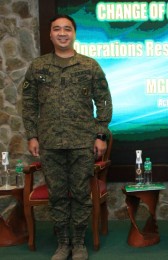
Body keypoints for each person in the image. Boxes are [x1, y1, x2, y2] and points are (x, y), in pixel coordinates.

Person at [22, 14, 112, 260]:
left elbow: (103, 101)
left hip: (82, 142)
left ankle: (79, 243)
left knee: (82, 195)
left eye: (67, 29)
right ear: (50, 34)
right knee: (58, 195)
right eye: (57, 29)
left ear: (74, 33)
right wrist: (32, 135)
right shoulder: (38, 67)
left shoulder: (89, 66)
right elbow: (29, 104)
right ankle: (63, 243)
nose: (62, 33)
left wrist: (101, 134)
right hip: (50, 143)